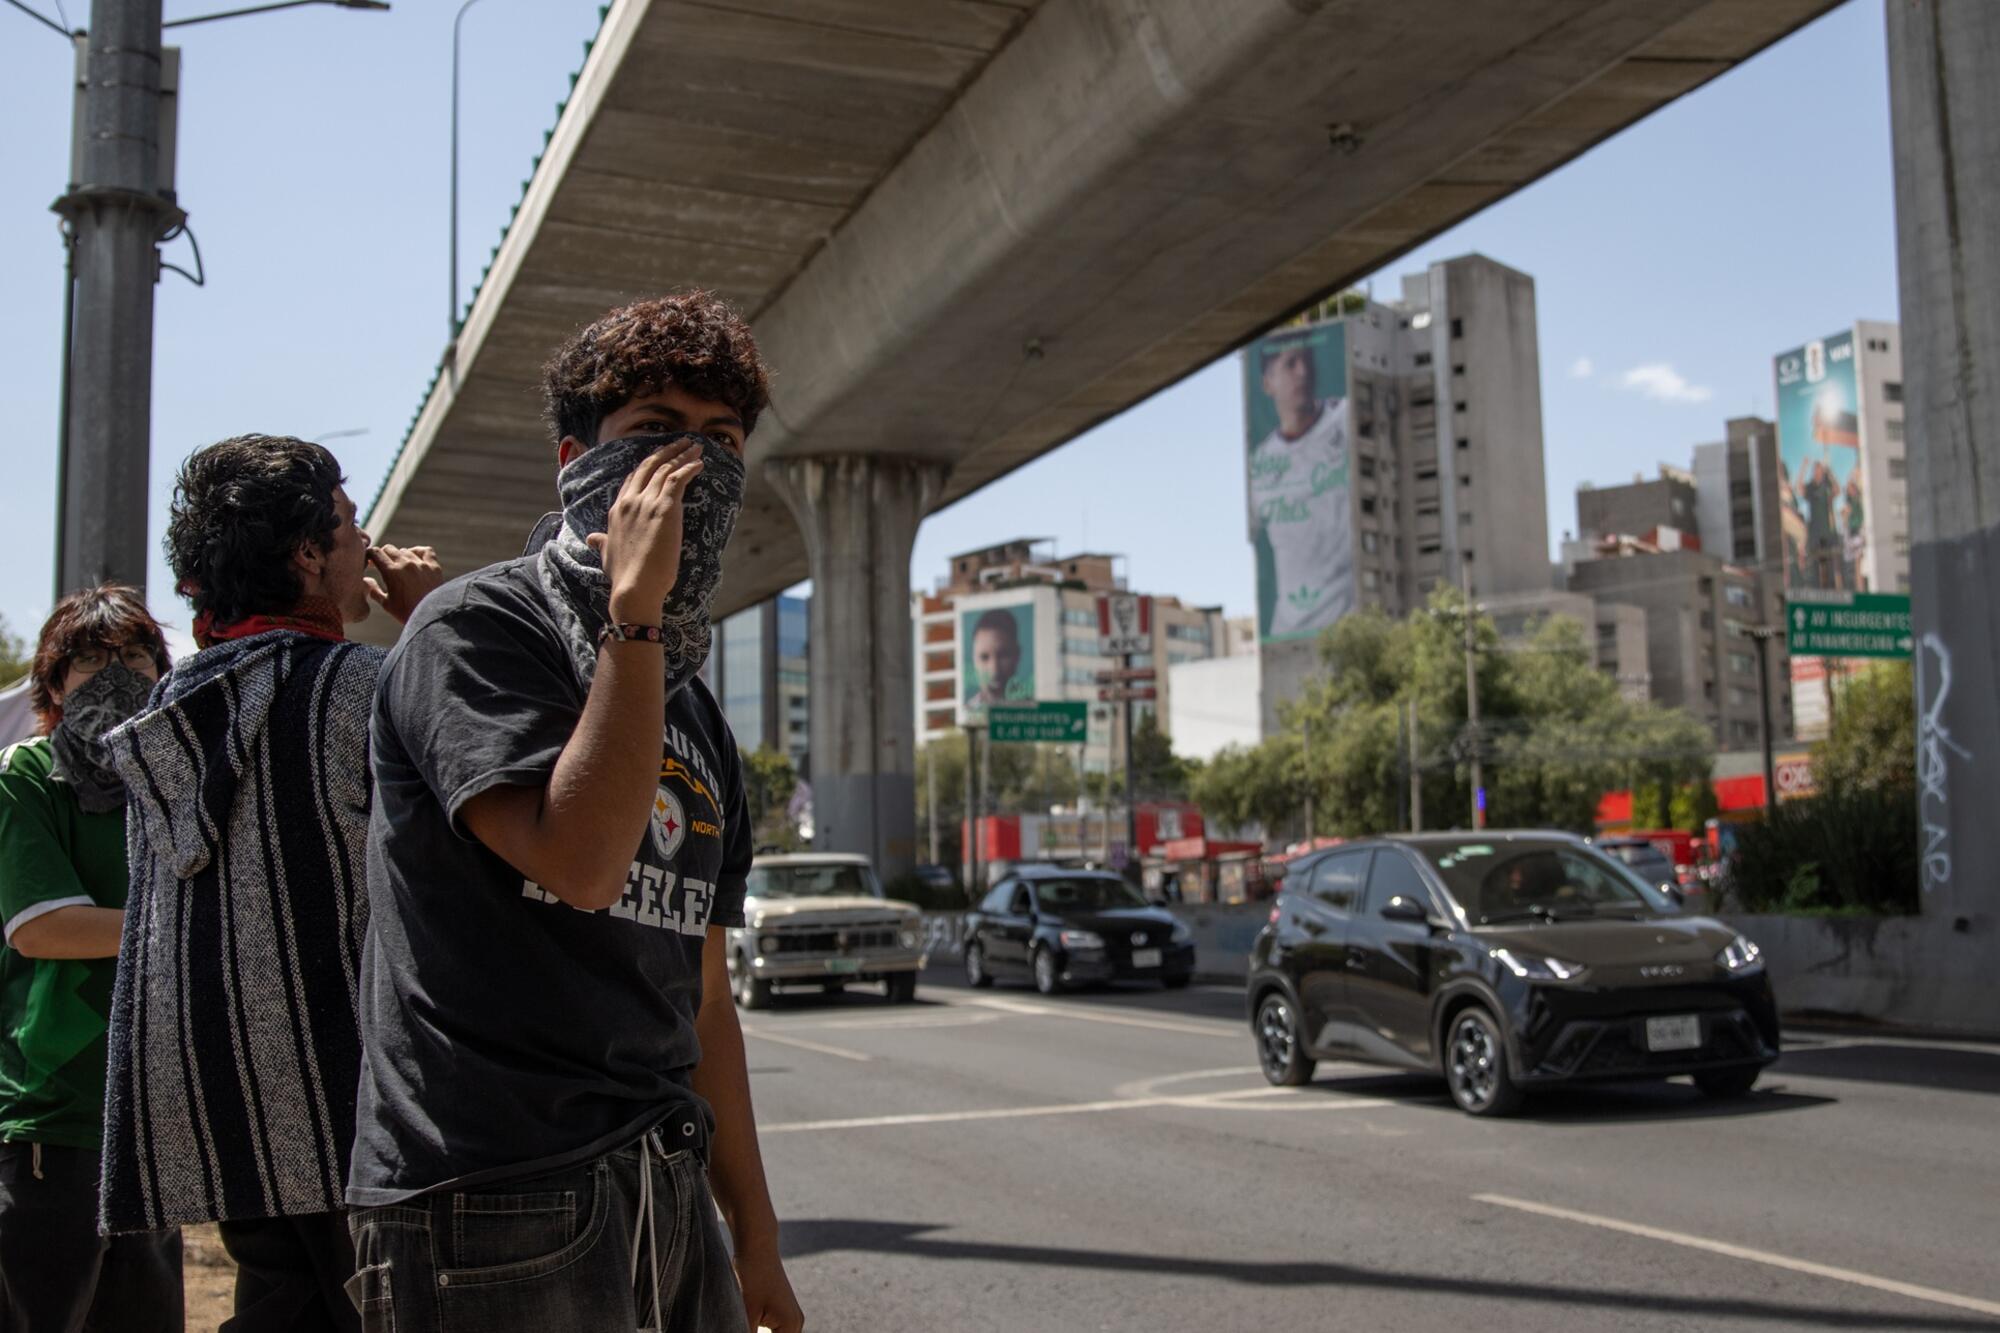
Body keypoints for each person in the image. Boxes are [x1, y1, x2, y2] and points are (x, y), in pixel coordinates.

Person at [348, 291, 803, 1333]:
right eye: (651, 432)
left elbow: (703, 1001)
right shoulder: (471, 631)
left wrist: (757, 1236)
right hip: (497, 1196)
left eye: (719, 440)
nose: (689, 468)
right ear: (573, 461)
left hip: (663, 1182)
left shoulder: (691, 709)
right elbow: (585, 864)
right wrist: (632, 620)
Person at [98, 436, 442, 1333]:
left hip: (232, 1115)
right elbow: (497, 808)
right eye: (350, 521)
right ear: (305, 552)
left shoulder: (165, 717)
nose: (366, 543)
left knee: (281, 1305)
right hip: (358, 1111)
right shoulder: (361, 688)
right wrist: (435, 619)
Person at [0, 585, 182, 1331]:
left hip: (155, 1118)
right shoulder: (26, 775)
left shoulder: (174, 782)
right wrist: (186, 921)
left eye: (134, 654)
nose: (114, 673)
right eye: (88, 660)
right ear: (51, 683)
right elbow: (43, 927)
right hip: (54, 1116)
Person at [1249, 334, 1355, 640]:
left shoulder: (1345, 419)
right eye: (1290, 364)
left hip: (1348, 627)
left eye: (1306, 361)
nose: (1302, 372)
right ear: (1267, 383)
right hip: (1288, 635)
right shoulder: (1261, 465)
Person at [964, 609, 1027, 706]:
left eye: (1003, 655)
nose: (994, 669)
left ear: (1017, 655)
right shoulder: (966, 714)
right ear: (973, 660)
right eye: (984, 657)